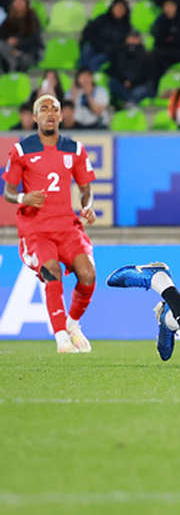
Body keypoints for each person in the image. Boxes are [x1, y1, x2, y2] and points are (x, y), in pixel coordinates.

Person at [3, 94, 97, 354]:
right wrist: (24, 197)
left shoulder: (75, 149)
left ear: (61, 115)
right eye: (43, 109)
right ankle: (61, 338)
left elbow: (86, 188)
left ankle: (72, 324)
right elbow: (8, 191)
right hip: (36, 229)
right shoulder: (22, 150)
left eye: (54, 109)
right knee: (51, 270)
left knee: (88, 274)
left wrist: (87, 208)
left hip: (67, 227)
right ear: (35, 117)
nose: (50, 113)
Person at [147, 0, 180, 83]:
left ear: (176, 7)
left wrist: (169, 39)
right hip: (164, 51)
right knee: (151, 56)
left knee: (158, 58)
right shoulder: (161, 19)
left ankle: (154, 85)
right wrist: (168, 38)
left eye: (171, 6)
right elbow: (155, 33)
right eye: (166, 6)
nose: (168, 8)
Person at [78, 0, 131, 71]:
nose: (119, 10)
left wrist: (109, 48)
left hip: (109, 52)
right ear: (112, 8)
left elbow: (122, 44)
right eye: (117, 7)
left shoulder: (126, 26)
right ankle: (82, 74)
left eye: (122, 8)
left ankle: (89, 79)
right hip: (96, 45)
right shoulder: (102, 18)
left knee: (94, 62)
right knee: (87, 49)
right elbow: (89, 31)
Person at [107, 29, 151, 105]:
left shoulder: (146, 55)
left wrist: (132, 83)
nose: (133, 40)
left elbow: (146, 74)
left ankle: (128, 101)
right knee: (112, 83)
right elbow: (114, 69)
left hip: (138, 85)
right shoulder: (119, 52)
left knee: (142, 90)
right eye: (131, 37)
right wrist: (124, 80)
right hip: (122, 84)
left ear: (140, 40)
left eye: (135, 38)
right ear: (126, 39)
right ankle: (131, 102)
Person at [0, 0, 42, 72]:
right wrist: (8, 41)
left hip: (28, 53)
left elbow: (34, 39)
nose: (19, 4)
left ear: (26, 3)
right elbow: (2, 34)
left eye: (21, 1)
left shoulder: (32, 18)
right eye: (16, 1)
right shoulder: (9, 19)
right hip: (9, 51)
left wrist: (17, 43)